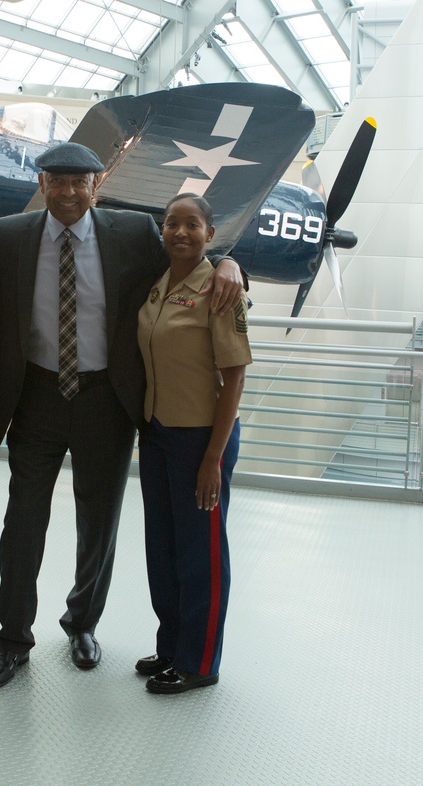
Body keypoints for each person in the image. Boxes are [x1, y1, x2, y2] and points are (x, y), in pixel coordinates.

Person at [0, 142, 245, 688]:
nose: (70, 191)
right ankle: (12, 638)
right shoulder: (7, 236)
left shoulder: (131, 232)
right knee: (22, 522)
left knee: (98, 522)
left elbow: (189, 258)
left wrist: (230, 263)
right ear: (43, 184)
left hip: (108, 400)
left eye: (81, 181)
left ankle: (82, 624)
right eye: (58, 180)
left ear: (96, 185)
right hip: (37, 395)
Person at [135, 193, 251, 694]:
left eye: (192, 225)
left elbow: (235, 375)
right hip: (159, 432)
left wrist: (211, 459)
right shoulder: (160, 285)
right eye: (171, 224)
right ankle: (171, 647)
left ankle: (199, 662)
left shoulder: (221, 292)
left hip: (202, 437)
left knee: (201, 554)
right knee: (163, 549)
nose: (180, 233)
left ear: (210, 233)